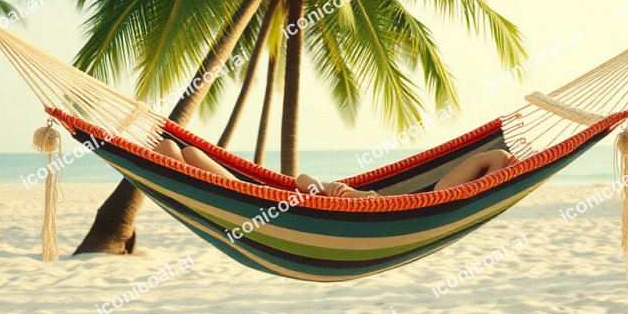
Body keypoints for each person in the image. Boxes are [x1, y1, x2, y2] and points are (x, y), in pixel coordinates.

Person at [152, 138, 517, 198]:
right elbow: (301, 179)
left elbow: (488, 169)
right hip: (274, 199)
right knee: (181, 149)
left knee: (170, 151)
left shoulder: (435, 201)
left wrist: (502, 173)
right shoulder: (422, 196)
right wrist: (332, 190)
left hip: (264, 207)